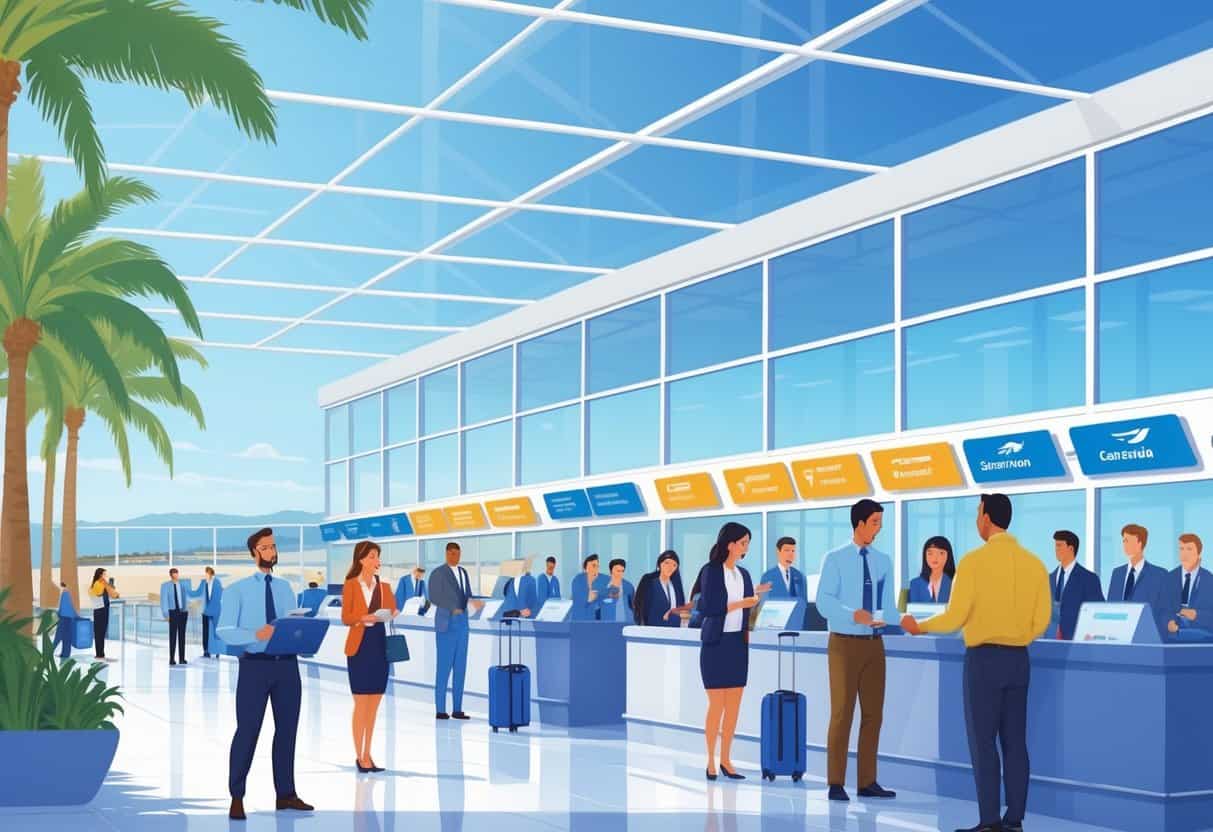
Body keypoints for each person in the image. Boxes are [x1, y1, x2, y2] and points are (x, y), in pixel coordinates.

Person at [901, 494, 1051, 832]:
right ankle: (1015, 820)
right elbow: (1042, 618)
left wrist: (919, 626)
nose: (976, 519)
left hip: (984, 661)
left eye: (978, 512)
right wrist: (1019, 635)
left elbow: (955, 616)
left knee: (983, 743)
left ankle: (989, 822)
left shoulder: (973, 561)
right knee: (1015, 743)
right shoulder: (1034, 563)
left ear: (986, 517)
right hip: (1018, 661)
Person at [217, 527, 314, 820]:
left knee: (287, 731)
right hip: (254, 667)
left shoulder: (286, 588)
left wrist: (304, 635)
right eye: (265, 547)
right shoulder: (237, 590)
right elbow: (224, 631)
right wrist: (254, 633)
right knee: (247, 731)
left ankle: (286, 794)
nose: (271, 552)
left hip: (287, 667)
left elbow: (291, 625)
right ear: (253, 553)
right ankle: (236, 795)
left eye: (273, 547)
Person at [816, 499, 897, 802]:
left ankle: (867, 781)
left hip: (875, 645)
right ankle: (835, 782)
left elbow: (887, 606)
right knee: (842, 714)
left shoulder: (883, 560)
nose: (879, 528)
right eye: (875, 521)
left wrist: (904, 619)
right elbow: (824, 602)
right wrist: (854, 614)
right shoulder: (834, 559)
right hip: (843, 645)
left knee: (873, 715)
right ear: (859, 523)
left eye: (880, 522)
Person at [698, 522, 769, 781]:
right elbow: (711, 607)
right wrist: (743, 602)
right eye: (743, 542)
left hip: (737, 645)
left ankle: (727, 759)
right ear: (730, 544)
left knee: (734, 706)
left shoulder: (745, 575)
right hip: (716, 644)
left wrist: (751, 611)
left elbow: (749, 612)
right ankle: (710, 760)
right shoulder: (711, 571)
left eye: (748, 543)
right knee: (717, 704)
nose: (745, 547)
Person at [342, 541, 398, 773]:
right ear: (362, 559)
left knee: (374, 705)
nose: (377, 561)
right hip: (359, 646)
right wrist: (365, 617)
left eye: (378, 557)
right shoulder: (351, 585)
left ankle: (368, 754)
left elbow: (393, 609)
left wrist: (389, 614)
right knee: (361, 703)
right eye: (373, 556)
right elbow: (347, 617)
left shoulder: (384, 586)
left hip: (378, 646)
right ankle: (359, 755)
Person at [429, 541, 483, 720]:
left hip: (462, 624)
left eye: (457, 553)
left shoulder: (463, 572)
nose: (455, 556)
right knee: (443, 667)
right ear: (446, 554)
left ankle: (457, 708)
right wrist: (453, 608)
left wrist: (473, 602)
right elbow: (434, 596)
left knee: (460, 667)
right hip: (446, 623)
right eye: (451, 553)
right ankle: (440, 709)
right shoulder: (438, 573)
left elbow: (465, 594)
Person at [1107, 523, 1168, 629]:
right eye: (1123, 541)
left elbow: (1164, 611)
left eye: (1128, 541)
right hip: (1118, 634)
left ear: (1140, 543)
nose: (1124, 544)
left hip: (1146, 635)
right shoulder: (1117, 573)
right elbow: (1110, 606)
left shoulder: (1159, 575)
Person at [1049, 530, 1104, 640]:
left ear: (1071, 548)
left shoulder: (1089, 579)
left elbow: (1098, 613)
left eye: (1060, 546)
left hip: (1078, 644)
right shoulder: (1048, 579)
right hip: (1049, 644)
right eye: (1055, 546)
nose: (1056, 550)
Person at [1165, 534, 1213, 636]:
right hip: (1172, 638)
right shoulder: (1169, 578)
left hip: (1203, 639)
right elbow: (1162, 609)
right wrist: (1168, 622)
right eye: (1181, 549)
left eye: (1189, 549)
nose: (1184, 554)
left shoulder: (1209, 580)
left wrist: (1197, 615)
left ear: (1199, 553)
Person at [633, 550, 686, 627]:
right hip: (653, 628)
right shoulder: (649, 581)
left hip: (674, 630)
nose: (670, 567)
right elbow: (639, 603)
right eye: (667, 563)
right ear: (659, 564)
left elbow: (680, 608)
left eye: (674, 565)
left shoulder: (676, 586)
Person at [908, 536, 955, 604]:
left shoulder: (955, 583)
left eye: (941, 553)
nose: (935, 558)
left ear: (948, 556)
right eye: (930, 553)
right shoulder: (915, 584)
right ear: (925, 556)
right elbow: (914, 610)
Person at [191, 566, 223, 658]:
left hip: (215, 610)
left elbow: (220, 595)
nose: (205, 575)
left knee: (215, 631)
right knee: (205, 631)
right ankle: (206, 650)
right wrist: (188, 591)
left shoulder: (217, 582)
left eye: (206, 573)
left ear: (210, 574)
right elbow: (197, 593)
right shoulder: (203, 583)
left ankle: (217, 650)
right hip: (205, 611)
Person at [159, 568, 190, 666]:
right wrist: (166, 614)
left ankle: (182, 658)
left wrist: (186, 609)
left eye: (177, 573)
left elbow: (186, 597)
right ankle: (171, 659)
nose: (176, 575)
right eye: (174, 573)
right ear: (171, 575)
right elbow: (163, 601)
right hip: (172, 612)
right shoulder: (165, 586)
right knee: (173, 636)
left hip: (182, 612)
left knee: (182, 636)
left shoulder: (182, 585)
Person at [87, 567, 119, 661]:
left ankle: (101, 654)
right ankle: (99, 655)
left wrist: (110, 587)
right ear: (100, 575)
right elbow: (99, 593)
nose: (106, 576)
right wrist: (106, 585)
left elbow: (115, 595)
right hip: (99, 610)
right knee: (99, 633)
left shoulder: (102, 584)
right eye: (104, 574)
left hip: (104, 610)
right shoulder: (97, 584)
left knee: (102, 632)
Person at [570, 554, 608, 621]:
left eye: (597, 566)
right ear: (585, 569)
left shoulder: (601, 582)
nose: (596, 569)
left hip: (596, 622)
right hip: (579, 621)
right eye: (593, 566)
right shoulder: (578, 580)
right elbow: (580, 602)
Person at [601, 558, 635, 622]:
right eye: (618, 571)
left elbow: (633, 606)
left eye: (622, 571)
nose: (620, 574)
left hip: (625, 623)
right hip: (607, 623)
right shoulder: (603, 586)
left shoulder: (628, 586)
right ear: (611, 571)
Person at [54, 582, 76, 660]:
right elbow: (70, 607)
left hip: (64, 618)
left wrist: (59, 613)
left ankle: (49, 652)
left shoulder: (65, 593)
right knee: (67, 637)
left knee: (59, 636)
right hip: (69, 618)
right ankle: (65, 654)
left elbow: (64, 606)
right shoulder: (67, 593)